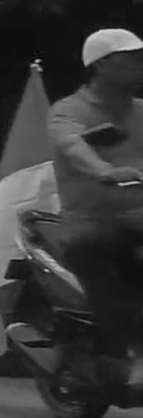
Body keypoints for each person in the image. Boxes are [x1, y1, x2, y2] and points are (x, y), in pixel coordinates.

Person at [44, 27, 143, 388]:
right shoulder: (69, 111)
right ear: (101, 65)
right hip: (92, 221)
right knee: (90, 248)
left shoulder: (141, 111)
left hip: (138, 219)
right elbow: (72, 146)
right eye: (132, 60)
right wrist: (104, 170)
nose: (141, 66)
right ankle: (134, 350)